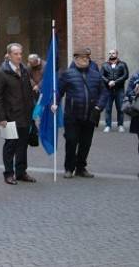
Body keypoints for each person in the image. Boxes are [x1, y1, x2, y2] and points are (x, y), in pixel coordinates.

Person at [53, 48, 108, 179]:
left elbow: (104, 93)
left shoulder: (96, 75)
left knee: (85, 143)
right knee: (71, 141)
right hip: (72, 115)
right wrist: (54, 102)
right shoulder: (67, 74)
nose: (85, 60)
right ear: (76, 59)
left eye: (87, 58)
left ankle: (81, 167)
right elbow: (59, 91)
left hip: (90, 115)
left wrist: (98, 107)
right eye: (82, 58)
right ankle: (69, 168)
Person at [0, 43, 36, 185]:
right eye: (16, 54)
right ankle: (9, 173)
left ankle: (21, 172)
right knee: (10, 145)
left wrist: (32, 112)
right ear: (9, 55)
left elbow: (29, 92)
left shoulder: (24, 70)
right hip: (10, 117)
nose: (19, 56)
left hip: (25, 115)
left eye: (20, 53)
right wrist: (1, 118)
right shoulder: (1, 73)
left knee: (23, 145)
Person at [100, 49, 129, 133]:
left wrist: (115, 82)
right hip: (108, 90)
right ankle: (108, 125)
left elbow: (125, 75)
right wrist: (108, 81)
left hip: (119, 89)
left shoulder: (123, 64)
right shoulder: (105, 65)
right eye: (110, 53)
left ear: (117, 54)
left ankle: (120, 125)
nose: (112, 55)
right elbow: (101, 75)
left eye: (113, 53)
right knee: (108, 108)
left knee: (120, 108)